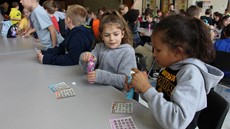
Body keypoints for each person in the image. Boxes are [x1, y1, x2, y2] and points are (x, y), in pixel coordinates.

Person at [125, 15, 224, 129]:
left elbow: (176, 122)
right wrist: (141, 88)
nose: (154, 54)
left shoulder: (191, 74)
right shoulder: (170, 64)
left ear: (177, 52)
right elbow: (159, 101)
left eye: (158, 50)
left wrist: (147, 88)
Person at [79, 10, 137, 90]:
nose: (111, 39)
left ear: (122, 34)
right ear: (102, 36)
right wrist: (85, 59)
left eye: (116, 34)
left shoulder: (128, 52)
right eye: (107, 35)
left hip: (116, 94)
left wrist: (101, 76)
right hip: (98, 90)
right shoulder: (99, 47)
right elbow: (87, 70)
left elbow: (127, 81)